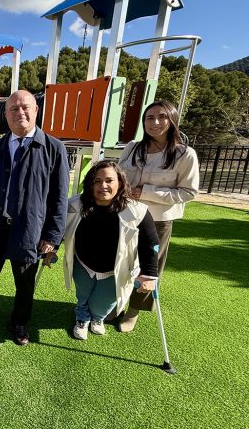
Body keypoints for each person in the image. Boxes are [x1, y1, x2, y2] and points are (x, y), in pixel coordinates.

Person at [0, 90, 69, 346]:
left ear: (36, 110)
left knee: (25, 284)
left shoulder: (54, 149)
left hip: (29, 230)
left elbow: (60, 199)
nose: (20, 112)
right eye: (13, 109)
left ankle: (20, 322)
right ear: (5, 115)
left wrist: (52, 236)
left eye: (25, 107)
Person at [116, 100, 199, 331]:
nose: (155, 122)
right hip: (128, 216)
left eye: (162, 117)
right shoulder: (133, 147)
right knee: (121, 261)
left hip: (158, 221)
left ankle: (133, 312)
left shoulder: (184, 154)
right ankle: (115, 304)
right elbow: (119, 176)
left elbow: (189, 192)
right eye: (149, 118)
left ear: (172, 120)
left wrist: (146, 192)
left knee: (148, 267)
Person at [62, 161, 160, 340]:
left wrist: (149, 275)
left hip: (115, 270)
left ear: (120, 183)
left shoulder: (137, 211)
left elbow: (150, 243)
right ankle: (82, 317)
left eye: (109, 180)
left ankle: (97, 318)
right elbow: (59, 228)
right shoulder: (75, 204)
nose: (103, 186)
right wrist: (51, 248)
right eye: (97, 181)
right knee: (83, 294)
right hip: (82, 263)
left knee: (103, 305)